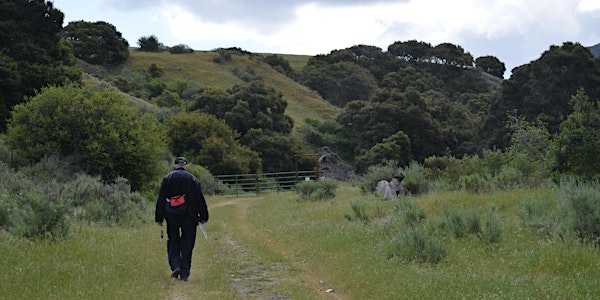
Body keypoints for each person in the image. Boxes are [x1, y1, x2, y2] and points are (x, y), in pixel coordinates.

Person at [155, 157, 209, 281]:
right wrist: (204, 216)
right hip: (189, 216)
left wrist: (159, 217)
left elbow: (161, 198)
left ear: (175, 166)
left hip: (171, 215)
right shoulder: (192, 179)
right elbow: (200, 199)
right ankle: (185, 273)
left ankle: (175, 265)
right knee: (187, 243)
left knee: (173, 240)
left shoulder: (167, 178)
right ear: (186, 166)